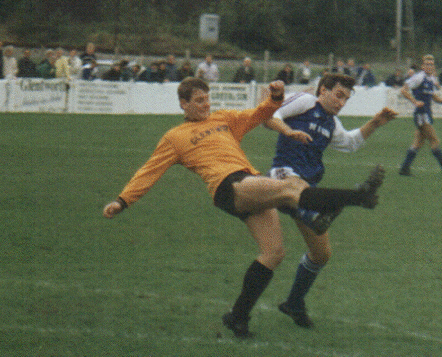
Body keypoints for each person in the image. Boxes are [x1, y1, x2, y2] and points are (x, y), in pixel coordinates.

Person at [102, 77, 386, 339]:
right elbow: (149, 171)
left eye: (207, 98)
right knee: (289, 189)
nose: (206, 104)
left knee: (274, 253)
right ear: (183, 104)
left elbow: (259, 115)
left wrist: (275, 97)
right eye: (199, 100)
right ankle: (355, 197)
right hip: (228, 187)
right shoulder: (174, 137)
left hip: (249, 180)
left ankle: (237, 317)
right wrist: (123, 200)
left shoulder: (223, 119)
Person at [262, 73, 397, 328]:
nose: (341, 102)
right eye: (338, 95)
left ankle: (293, 303)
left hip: (308, 190)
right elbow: (272, 116)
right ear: (322, 90)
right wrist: (289, 132)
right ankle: (324, 209)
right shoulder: (305, 101)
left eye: (345, 98)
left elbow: (349, 144)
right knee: (299, 194)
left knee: (321, 254)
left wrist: (376, 123)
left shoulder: (331, 122)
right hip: (284, 173)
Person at [398, 55, 442, 177]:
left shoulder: (431, 78)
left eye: (431, 64)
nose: (429, 66)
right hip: (421, 114)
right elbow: (403, 90)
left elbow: (431, 95)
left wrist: (440, 100)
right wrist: (414, 101)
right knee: (434, 140)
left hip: (427, 112)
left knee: (418, 142)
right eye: (427, 64)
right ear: (422, 66)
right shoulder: (418, 77)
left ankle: (404, 168)